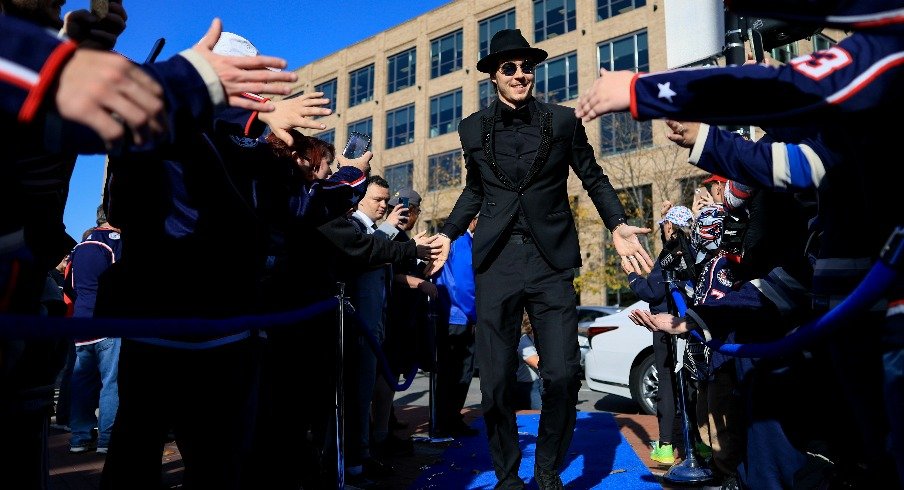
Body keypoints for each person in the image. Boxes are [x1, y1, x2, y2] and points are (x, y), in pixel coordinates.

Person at [425, 29, 652, 489]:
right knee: (493, 384)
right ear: (493, 76)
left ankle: (547, 468)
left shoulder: (563, 122)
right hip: (496, 261)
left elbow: (593, 176)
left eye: (527, 66)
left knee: (565, 375)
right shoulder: (471, 127)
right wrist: (449, 234)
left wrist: (616, 224)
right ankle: (508, 476)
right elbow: (475, 189)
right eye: (509, 67)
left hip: (551, 261)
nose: (520, 73)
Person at [623, 204, 694, 466]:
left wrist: (631, 276)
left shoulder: (670, 254)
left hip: (666, 327)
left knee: (667, 385)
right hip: (692, 326)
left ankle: (665, 447)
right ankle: (699, 443)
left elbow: (652, 292)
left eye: (665, 224)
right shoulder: (693, 251)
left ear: (669, 227)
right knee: (693, 383)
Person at [65, 221, 122, 455]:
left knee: (82, 381)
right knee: (111, 383)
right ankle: (107, 439)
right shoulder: (115, 243)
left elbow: (69, 285)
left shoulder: (79, 247)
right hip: (108, 319)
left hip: (82, 319)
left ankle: (80, 437)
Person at [433, 213, 479, 438]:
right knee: (456, 372)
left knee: (455, 372)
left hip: (455, 314)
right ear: (473, 220)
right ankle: (447, 419)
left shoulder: (460, 241)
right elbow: (464, 285)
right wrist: (475, 315)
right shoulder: (461, 242)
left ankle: (449, 418)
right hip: (458, 315)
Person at [514, 315, 542, 411]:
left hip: (537, 383)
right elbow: (537, 363)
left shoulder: (536, 340)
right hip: (527, 386)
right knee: (540, 411)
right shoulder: (524, 342)